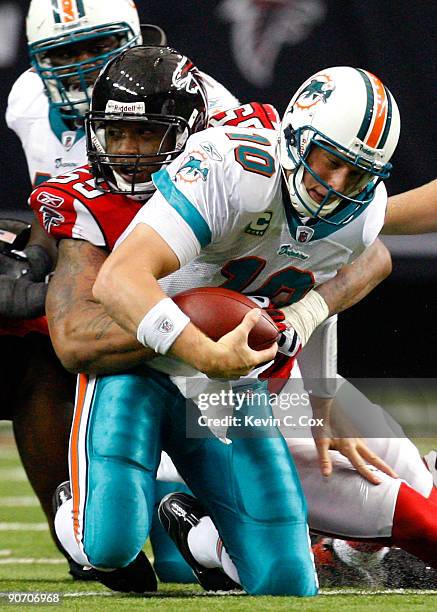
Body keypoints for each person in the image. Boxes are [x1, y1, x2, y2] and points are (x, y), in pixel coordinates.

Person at [92, 64, 437, 591]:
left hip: (260, 382)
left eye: (361, 174)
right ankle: (201, 526)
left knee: (405, 470)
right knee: (412, 517)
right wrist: (201, 350)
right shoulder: (235, 170)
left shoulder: (359, 212)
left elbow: (326, 283)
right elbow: (119, 280)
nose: (339, 187)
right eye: (332, 161)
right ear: (296, 139)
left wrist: (321, 401)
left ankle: (228, 532)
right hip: (176, 375)